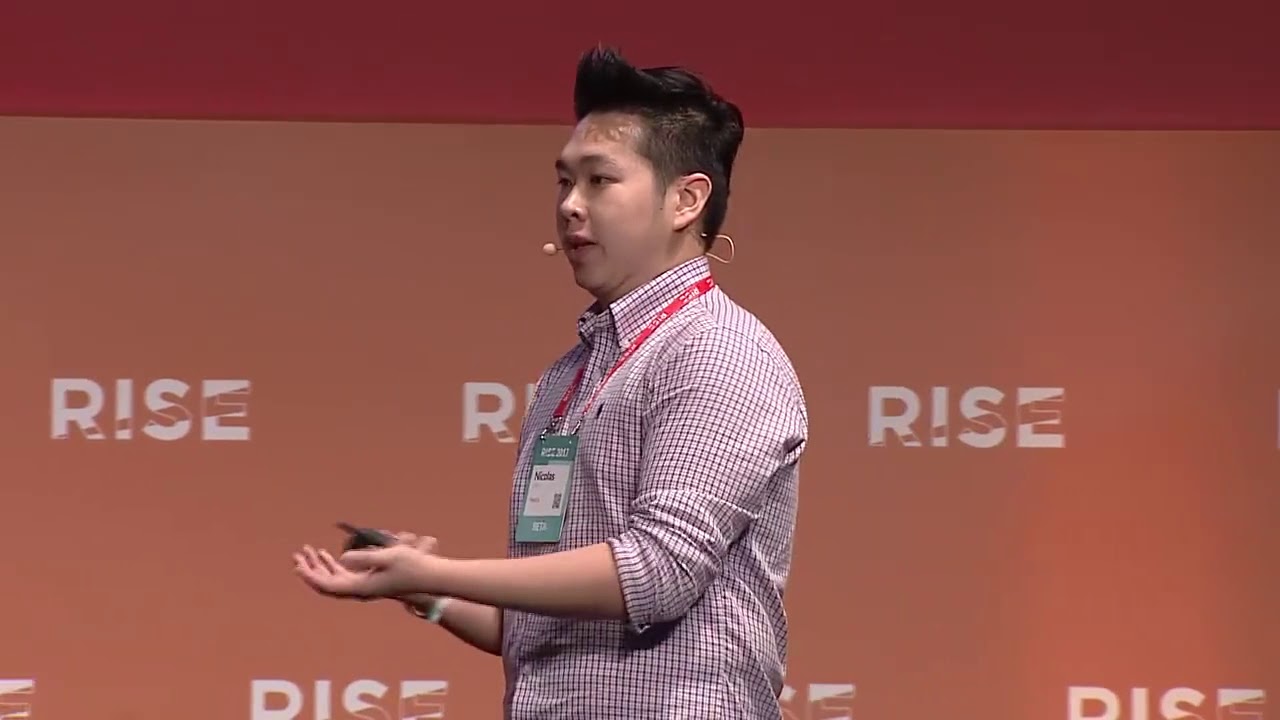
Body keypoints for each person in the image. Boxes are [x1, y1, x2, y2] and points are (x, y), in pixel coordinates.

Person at [293, 45, 809, 720]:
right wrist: (428, 594)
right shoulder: (570, 375)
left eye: (599, 181)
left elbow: (657, 572)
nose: (570, 205)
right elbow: (540, 627)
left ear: (686, 200)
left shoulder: (716, 349)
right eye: (564, 182)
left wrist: (439, 569)